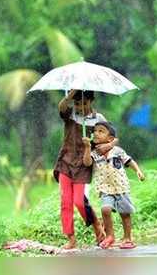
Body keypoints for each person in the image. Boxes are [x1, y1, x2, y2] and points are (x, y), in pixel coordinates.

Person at [54, 89, 117, 249]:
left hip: (84, 165)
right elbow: (61, 107)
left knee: (79, 202)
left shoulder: (99, 119)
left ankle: (96, 224)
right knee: (65, 202)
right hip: (65, 162)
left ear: (91, 101)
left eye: (84, 103)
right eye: (77, 103)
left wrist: (102, 146)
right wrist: (69, 96)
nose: (80, 106)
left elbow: (111, 138)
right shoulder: (70, 114)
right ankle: (71, 238)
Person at [82, 121, 145, 249]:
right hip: (105, 188)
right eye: (95, 131)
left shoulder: (117, 151)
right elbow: (87, 163)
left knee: (125, 213)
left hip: (121, 187)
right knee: (105, 209)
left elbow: (129, 161)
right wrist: (87, 147)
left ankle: (127, 238)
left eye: (101, 131)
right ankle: (110, 236)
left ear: (110, 138)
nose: (96, 133)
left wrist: (138, 171)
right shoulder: (94, 153)